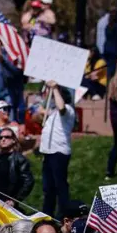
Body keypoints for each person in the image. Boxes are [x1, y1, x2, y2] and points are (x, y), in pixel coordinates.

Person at [38, 81, 74, 218]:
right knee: (48, 188)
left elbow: (61, 107)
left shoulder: (67, 110)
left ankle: (64, 213)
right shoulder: (52, 113)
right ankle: (47, 213)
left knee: (60, 186)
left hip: (59, 153)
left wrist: (55, 89)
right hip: (48, 153)